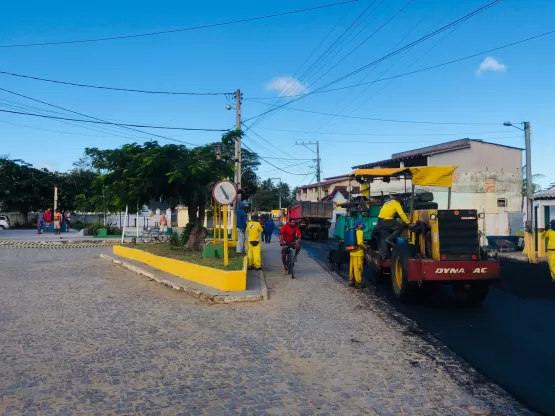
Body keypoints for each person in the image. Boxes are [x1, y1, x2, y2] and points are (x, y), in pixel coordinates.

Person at [349, 220, 367, 289]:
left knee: (352, 268)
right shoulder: (360, 232)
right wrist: (366, 247)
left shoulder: (353, 232)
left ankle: (351, 281)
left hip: (352, 252)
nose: (363, 225)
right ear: (358, 225)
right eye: (362, 224)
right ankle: (358, 283)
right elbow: (359, 243)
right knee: (358, 268)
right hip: (358, 253)